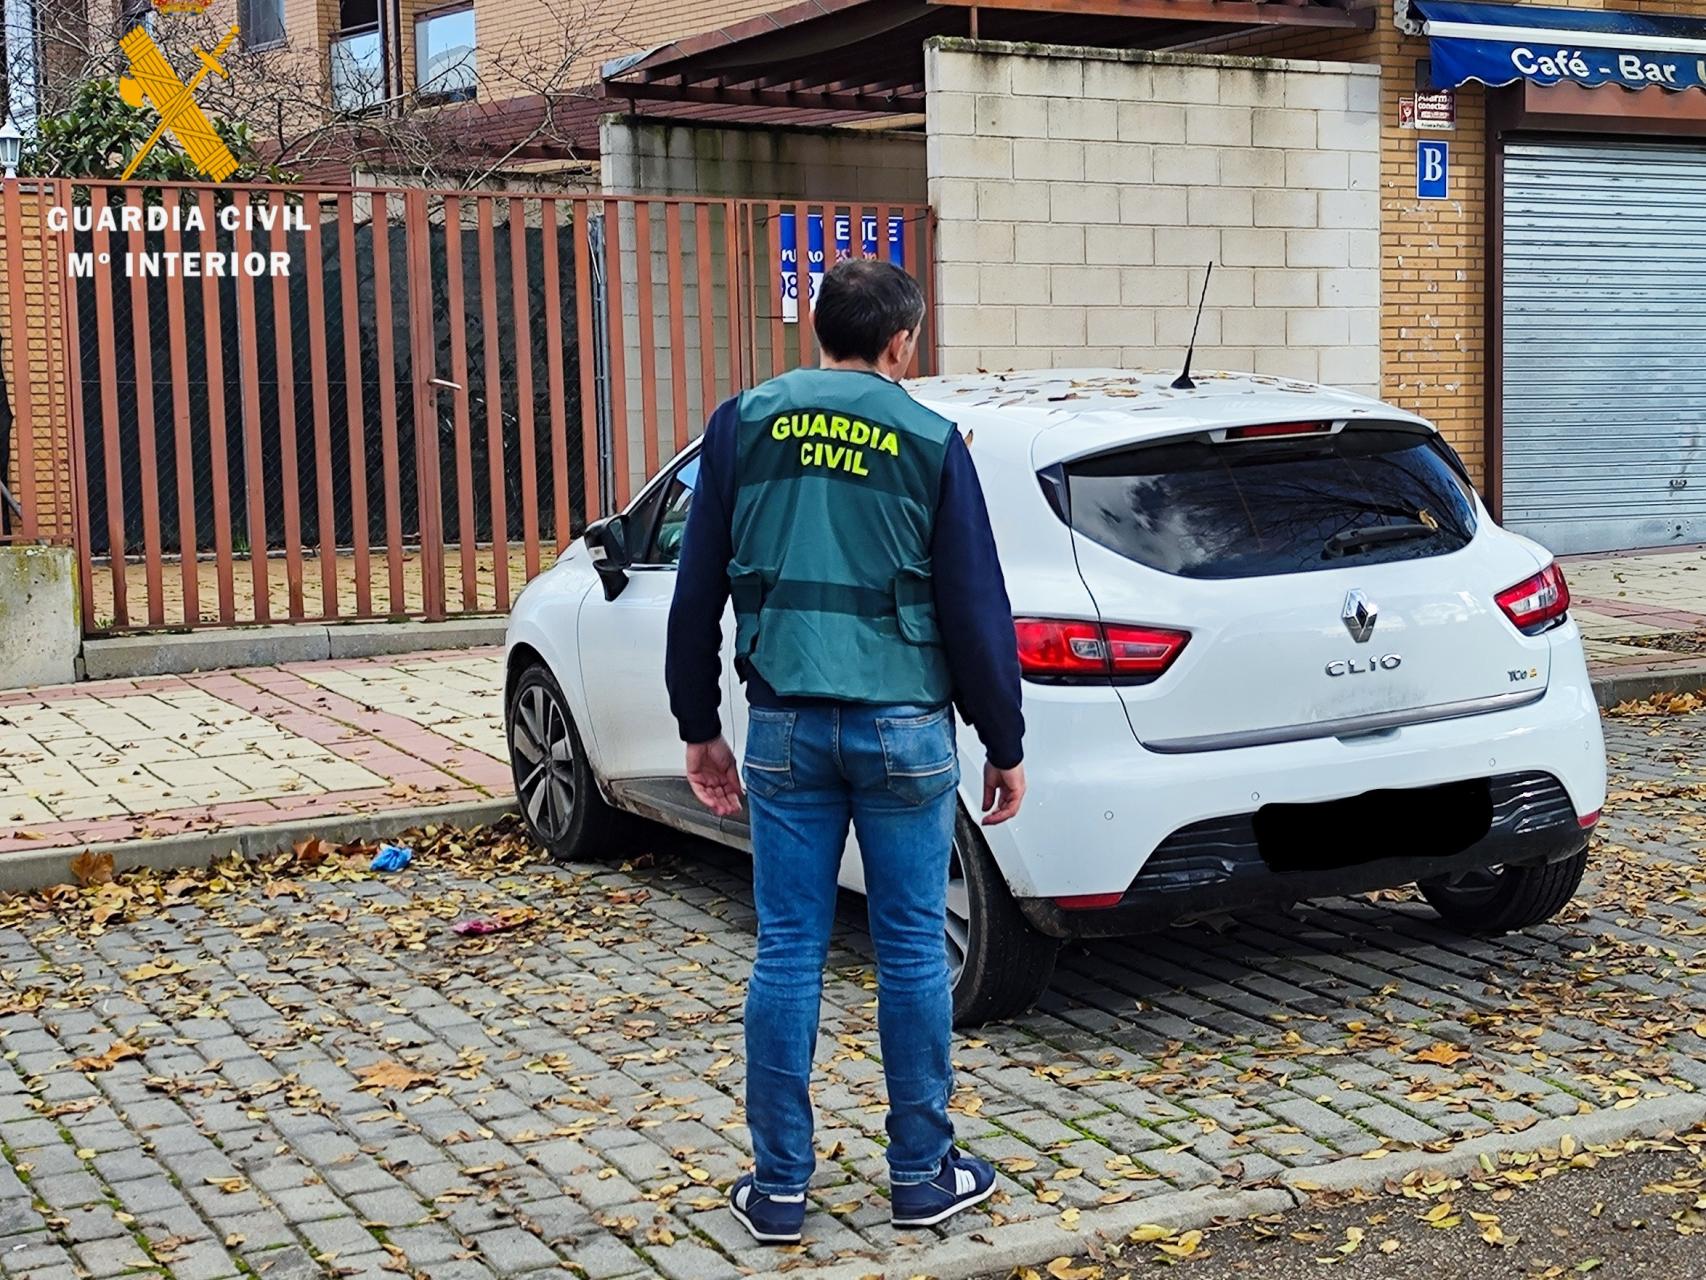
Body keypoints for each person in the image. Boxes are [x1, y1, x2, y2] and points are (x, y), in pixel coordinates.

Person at [664, 258, 1027, 1243]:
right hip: (904, 726)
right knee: (910, 943)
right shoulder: (929, 437)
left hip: (782, 723)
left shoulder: (742, 423)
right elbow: (974, 604)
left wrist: (698, 725)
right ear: (901, 342)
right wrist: (1004, 738)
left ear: (816, 328)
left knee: (787, 944)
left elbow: (695, 586)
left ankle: (779, 1185)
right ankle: (920, 1173)